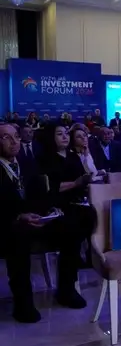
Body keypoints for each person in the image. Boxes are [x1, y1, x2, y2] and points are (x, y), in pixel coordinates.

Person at [0, 123, 92, 323]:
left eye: (16, 136)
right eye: (6, 137)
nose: (14, 141)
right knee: (18, 235)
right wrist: (19, 216)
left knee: (71, 226)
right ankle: (23, 302)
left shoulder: (27, 163)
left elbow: (41, 193)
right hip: (8, 224)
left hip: (36, 218)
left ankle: (66, 289)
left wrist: (49, 210)